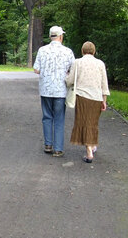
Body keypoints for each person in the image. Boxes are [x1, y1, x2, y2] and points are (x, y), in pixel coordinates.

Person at [33, 26, 75, 157]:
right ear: (61, 37)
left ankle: (48, 145)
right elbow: (73, 70)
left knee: (47, 117)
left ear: (51, 36)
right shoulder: (67, 51)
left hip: (45, 89)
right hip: (60, 90)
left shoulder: (42, 50)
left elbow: (36, 69)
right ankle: (58, 149)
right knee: (59, 118)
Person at [67, 41, 110, 163]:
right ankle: (91, 145)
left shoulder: (78, 62)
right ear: (94, 51)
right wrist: (104, 100)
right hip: (97, 98)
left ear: (82, 51)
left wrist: (66, 78)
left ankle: (89, 151)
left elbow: (70, 80)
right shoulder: (100, 64)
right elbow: (104, 84)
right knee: (92, 123)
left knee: (83, 122)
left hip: (82, 97)